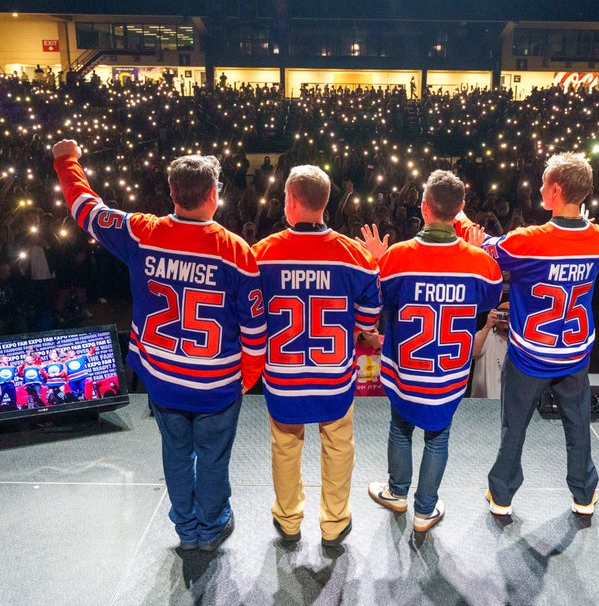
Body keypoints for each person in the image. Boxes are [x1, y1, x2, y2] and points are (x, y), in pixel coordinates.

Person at [51, 139, 266, 552]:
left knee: (176, 453)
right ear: (213, 194)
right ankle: (212, 525)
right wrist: (248, 377)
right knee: (213, 458)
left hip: (163, 379)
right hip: (217, 383)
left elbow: (86, 210)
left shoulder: (142, 232)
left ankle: (185, 529)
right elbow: (255, 330)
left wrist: (66, 161)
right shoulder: (236, 252)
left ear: (172, 191)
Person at [468, 153, 599, 517]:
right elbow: (595, 240)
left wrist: (467, 228)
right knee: (578, 426)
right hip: (575, 353)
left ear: (558, 189)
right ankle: (584, 496)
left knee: (513, 426)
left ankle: (501, 496)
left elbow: (486, 248)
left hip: (531, 356)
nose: (539, 188)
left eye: (545, 183)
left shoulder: (528, 240)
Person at [359, 170, 502, 532]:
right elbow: (487, 300)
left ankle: (397, 493)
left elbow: (380, 302)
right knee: (439, 436)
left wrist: (376, 262)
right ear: (461, 209)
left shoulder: (397, 257)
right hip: (450, 374)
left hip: (405, 371)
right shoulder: (480, 262)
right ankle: (425, 510)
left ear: (423, 207)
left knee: (400, 427)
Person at [252, 165, 381, 547]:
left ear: (291, 200)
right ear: (326, 202)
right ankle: (334, 523)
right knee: (339, 445)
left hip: (283, 375)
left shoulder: (262, 253)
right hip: (334, 375)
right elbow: (368, 320)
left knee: (285, 447)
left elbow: (252, 313)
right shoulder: (354, 254)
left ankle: (289, 520)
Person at [470, 301, 510, 398]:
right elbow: (472, 353)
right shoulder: (487, 335)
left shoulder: (519, 343)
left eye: (508, 315)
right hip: (483, 403)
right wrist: (488, 326)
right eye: (501, 314)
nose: (504, 319)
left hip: (509, 402)